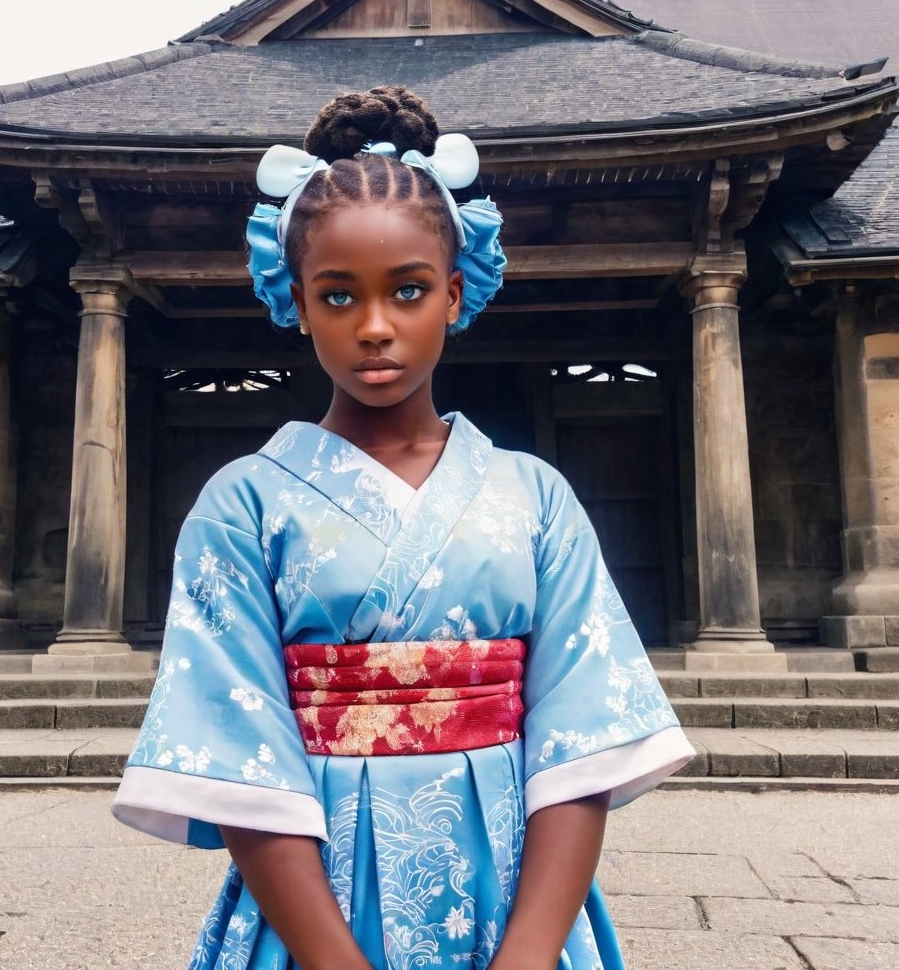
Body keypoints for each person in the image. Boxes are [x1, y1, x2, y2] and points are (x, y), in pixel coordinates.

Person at [112, 86, 695, 970]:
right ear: (295, 301)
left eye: (409, 290)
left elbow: (581, 742)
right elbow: (241, 758)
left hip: (513, 890)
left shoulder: (535, 496)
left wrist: (532, 952)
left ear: (457, 294)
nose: (375, 327)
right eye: (338, 296)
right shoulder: (242, 506)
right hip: (317, 906)